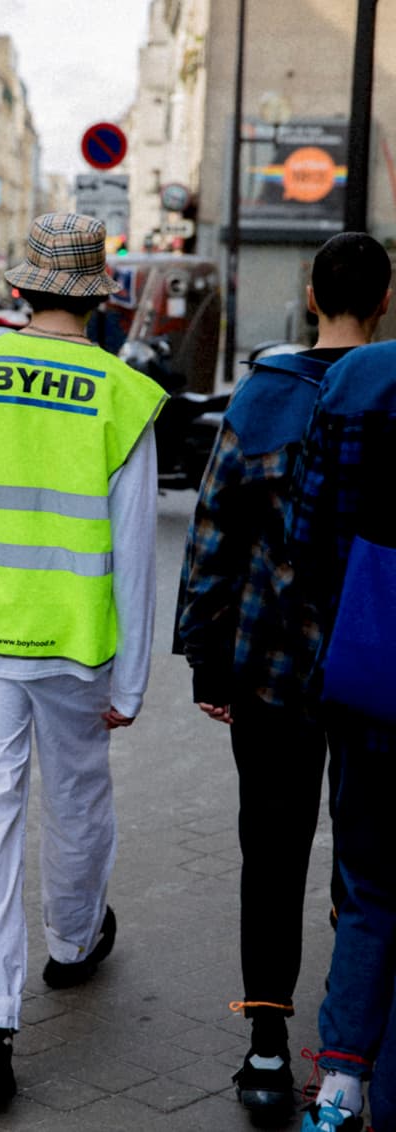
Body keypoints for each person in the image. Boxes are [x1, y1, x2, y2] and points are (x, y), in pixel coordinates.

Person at [0, 212, 167, 1109]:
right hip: (76, 641)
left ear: (20, 290)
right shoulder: (122, 394)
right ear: (101, 296)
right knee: (79, 793)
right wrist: (132, 679)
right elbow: (134, 551)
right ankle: (72, 941)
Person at [175, 232, 392, 1116]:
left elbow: (215, 530)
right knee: (367, 859)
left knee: (270, 849)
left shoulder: (264, 395)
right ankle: (350, 1043)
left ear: (311, 296)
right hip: (374, 664)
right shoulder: (386, 393)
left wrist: (204, 656)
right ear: (382, 301)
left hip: (270, 662)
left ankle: (266, 1049)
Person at [289, 336, 396, 1132]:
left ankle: (340, 1088)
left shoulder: (359, 378)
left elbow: (306, 529)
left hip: (369, 666)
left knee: (369, 887)